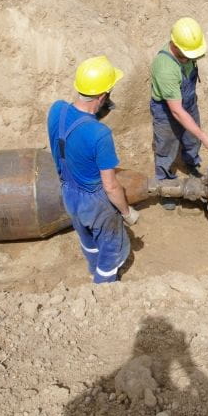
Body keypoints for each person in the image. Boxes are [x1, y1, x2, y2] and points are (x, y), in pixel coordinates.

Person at [47, 55, 140, 283]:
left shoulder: (57, 109)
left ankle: (92, 269)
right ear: (102, 96)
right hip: (95, 203)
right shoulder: (100, 134)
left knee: (88, 240)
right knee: (112, 251)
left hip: (68, 194)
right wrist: (127, 213)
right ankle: (103, 287)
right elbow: (110, 186)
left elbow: (73, 132)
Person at [150, 17, 208, 209]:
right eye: (187, 54)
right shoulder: (165, 67)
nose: (190, 57)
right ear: (175, 45)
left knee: (191, 139)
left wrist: (198, 135)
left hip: (188, 103)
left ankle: (191, 163)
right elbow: (177, 111)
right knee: (166, 147)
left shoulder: (189, 51)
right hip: (167, 110)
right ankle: (166, 186)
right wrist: (204, 136)